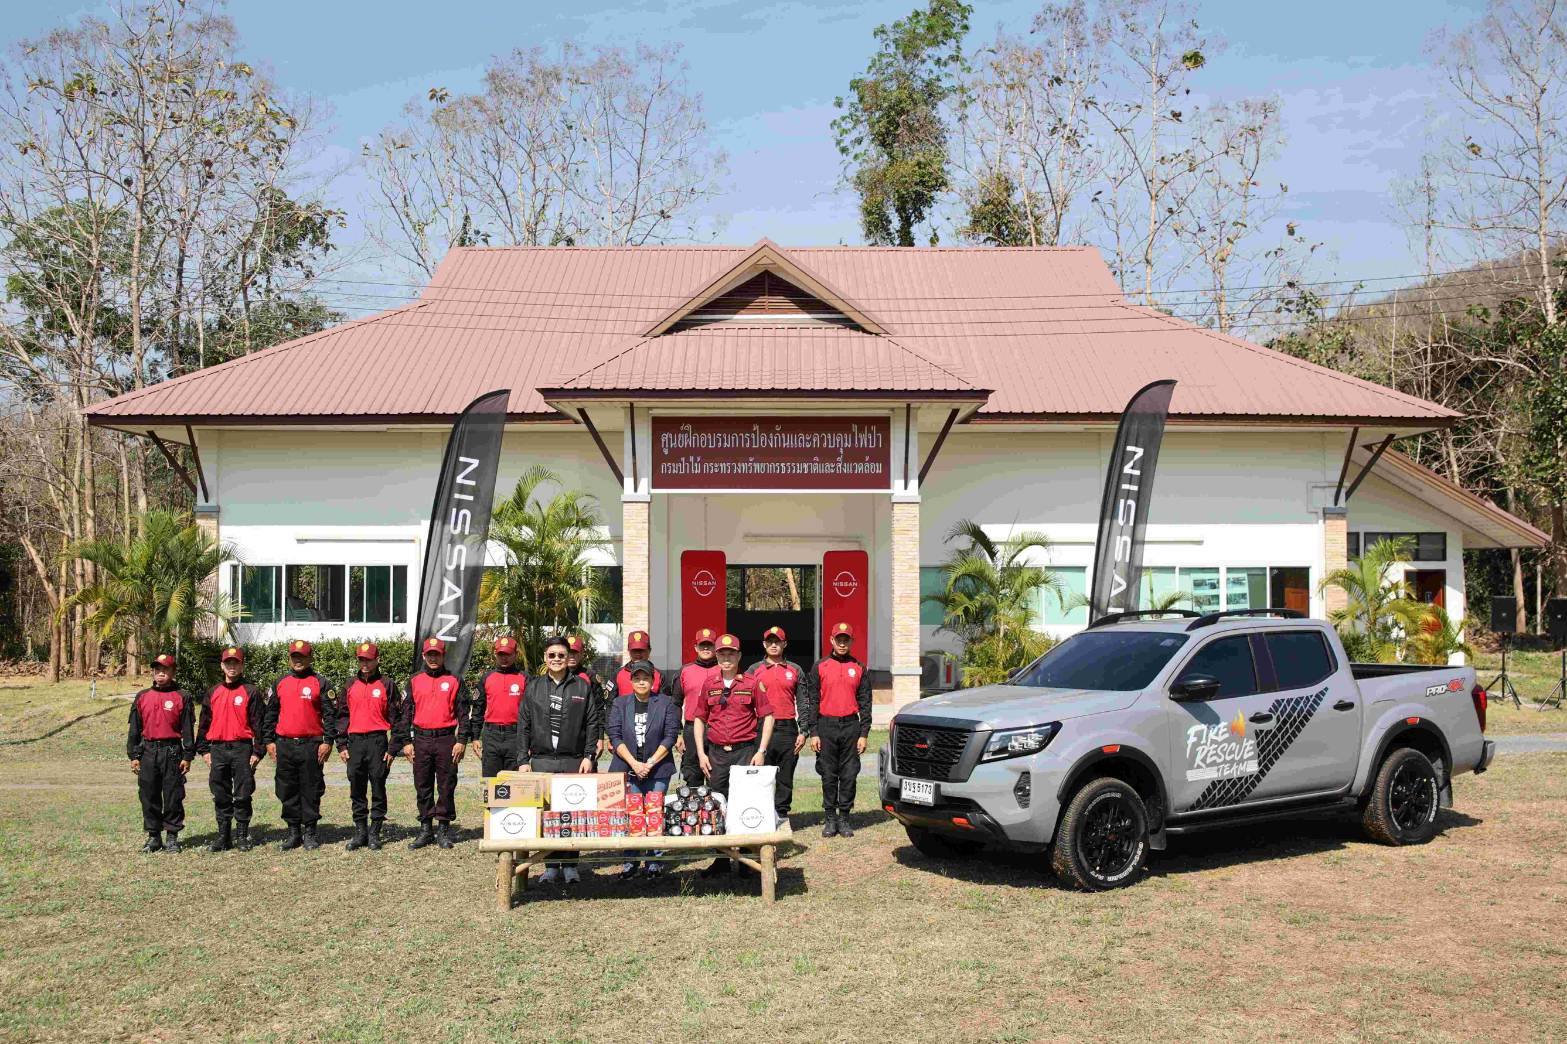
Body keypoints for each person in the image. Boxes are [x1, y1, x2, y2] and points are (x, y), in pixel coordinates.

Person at [520, 635, 601, 885]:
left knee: (572, 814)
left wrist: (588, 755)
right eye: (552, 655)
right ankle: (551, 866)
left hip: (572, 761)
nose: (557, 659)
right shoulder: (533, 687)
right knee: (547, 816)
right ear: (545, 658)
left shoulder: (582, 686)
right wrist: (523, 759)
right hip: (542, 761)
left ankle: (571, 866)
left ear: (569, 658)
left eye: (561, 655)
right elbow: (523, 725)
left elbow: (592, 723)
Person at [692, 633, 774, 876]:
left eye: (731, 654)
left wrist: (761, 751)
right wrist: (701, 753)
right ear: (716, 656)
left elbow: (768, 716)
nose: (726, 658)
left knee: (745, 803)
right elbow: (699, 719)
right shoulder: (709, 684)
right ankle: (721, 859)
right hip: (716, 754)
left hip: (744, 753)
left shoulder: (751, 683)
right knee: (718, 804)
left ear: (739, 656)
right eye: (722, 654)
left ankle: (747, 858)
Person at [606, 660, 680, 878]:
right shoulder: (620, 703)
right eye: (637, 678)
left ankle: (654, 861)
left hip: (658, 769)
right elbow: (615, 736)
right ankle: (630, 861)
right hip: (628, 767)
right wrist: (635, 764)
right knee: (632, 814)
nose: (641, 682)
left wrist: (649, 763)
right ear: (631, 681)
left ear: (653, 680)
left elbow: (670, 736)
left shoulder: (665, 703)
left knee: (654, 813)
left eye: (645, 678)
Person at [800, 622, 873, 839]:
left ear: (851, 641)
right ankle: (830, 818)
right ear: (831, 640)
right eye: (838, 639)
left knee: (849, 774)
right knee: (828, 773)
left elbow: (865, 702)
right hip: (826, 726)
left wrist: (864, 733)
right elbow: (813, 701)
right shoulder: (820, 666)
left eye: (846, 640)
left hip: (851, 726)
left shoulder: (859, 668)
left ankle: (844, 818)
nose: (842, 643)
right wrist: (814, 732)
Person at [263, 639, 335, 851]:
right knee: (287, 789)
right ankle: (293, 832)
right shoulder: (280, 682)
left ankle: (310, 832)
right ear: (290, 658)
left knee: (311, 789)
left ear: (310, 658)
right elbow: (270, 714)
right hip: (284, 745)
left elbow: (330, 716)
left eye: (302, 657)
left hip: (311, 746)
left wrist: (328, 741)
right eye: (295, 657)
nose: (298, 660)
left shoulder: (320, 683)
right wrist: (269, 741)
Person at [398, 637, 470, 851]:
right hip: (421, 739)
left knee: (447, 784)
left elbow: (463, 714)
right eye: (429, 654)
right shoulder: (414, 680)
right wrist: (406, 742)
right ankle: (425, 829)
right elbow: (405, 714)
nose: (433, 658)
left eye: (436, 654)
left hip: (446, 739)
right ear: (423, 656)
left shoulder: (455, 680)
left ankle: (443, 829)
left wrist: (462, 740)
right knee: (422, 784)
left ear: (443, 655)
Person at [195, 646, 264, 852]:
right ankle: (223, 837)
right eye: (228, 663)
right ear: (222, 666)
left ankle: (242, 836)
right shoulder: (213, 692)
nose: (232, 666)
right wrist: (204, 751)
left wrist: (257, 751)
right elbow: (204, 724)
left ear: (242, 666)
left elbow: (259, 725)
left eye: (236, 663)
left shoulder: (251, 691)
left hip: (242, 749)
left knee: (243, 793)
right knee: (220, 794)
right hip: (218, 749)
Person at [335, 642, 400, 851]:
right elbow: (342, 716)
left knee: (378, 786)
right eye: (361, 659)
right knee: (357, 787)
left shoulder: (387, 684)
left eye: (369, 659)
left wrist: (392, 748)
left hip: (377, 742)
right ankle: (360, 832)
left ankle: (375, 833)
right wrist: (341, 744)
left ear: (377, 660)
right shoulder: (349, 685)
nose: (365, 663)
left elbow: (397, 719)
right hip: (355, 742)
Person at [127, 652, 195, 853]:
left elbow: (188, 729)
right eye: (157, 669)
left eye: (165, 669)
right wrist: (134, 755)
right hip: (148, 751)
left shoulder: (182, 696)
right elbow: (135, 729)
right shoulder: (142, 696)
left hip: (172, 752)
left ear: (173, 672)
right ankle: (154, 837)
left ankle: (172, 837)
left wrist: (187, 755)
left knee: (173, 795)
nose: (161, 673)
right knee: (148, 795)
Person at [748, 626, 806, 823]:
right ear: (764, 644)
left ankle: (781, 814)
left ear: (784, 644)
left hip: (787, 728)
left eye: (777, 642)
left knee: (785, 775)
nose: (774, 645)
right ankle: (762, 815)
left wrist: (803, 730)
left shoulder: (795, 670)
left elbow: (803, 702)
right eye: (770, 642)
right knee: (761, 774)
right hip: (761, 728)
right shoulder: (753, 670)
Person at [471, 635, 526, 778]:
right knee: (491, 781)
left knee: (514, 782)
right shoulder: (487, 678)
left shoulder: (525, 678)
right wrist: (475, 736)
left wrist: (529, 742)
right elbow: (478, 709)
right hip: (491, 736)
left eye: (508, 654)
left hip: (515, 736)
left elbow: (532, 713)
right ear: (495, 654)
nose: (504, 658)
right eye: (501, 654)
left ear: (515, 654)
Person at [671, 628, 720, 787]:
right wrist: (677, 734)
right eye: (702, 645)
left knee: (717, 776)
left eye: (709, 645)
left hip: (717, 728)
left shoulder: (724, 669)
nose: (706, 648)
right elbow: (676, 704)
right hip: (691, 730)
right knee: (692, 774)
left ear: (715, 647)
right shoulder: (685, 671)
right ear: (695, 647)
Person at [566, 635, 608, 762]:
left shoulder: (590, 677)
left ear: (582, 654)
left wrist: (600, 737)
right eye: (569, 652)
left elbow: (599, 709)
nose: (572, 656)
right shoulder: (554, 675)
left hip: (587, 733)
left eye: (575, 653)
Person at [613, 631, 665, 696]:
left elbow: (664, 701)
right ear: (628, 651)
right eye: (634, 650)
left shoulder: (660, 676)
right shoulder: (617, 674)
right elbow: (610, 701)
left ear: (649, 650)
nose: (637, 654)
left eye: (641, 650)